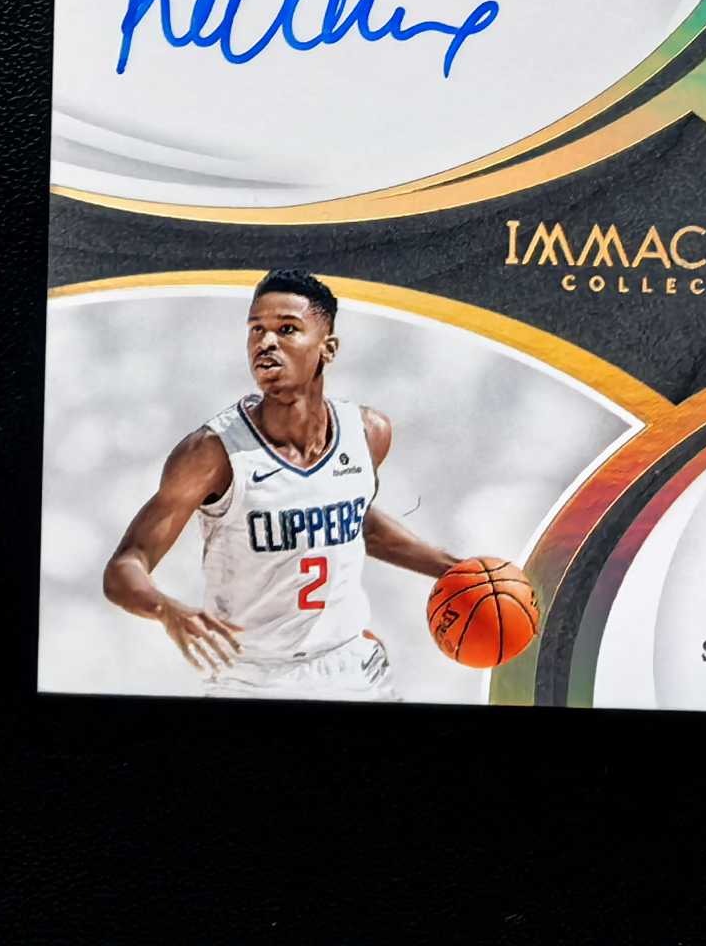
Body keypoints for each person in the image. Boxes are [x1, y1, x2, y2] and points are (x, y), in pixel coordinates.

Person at [101, 270, 460, 699]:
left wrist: (453, 569)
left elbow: (353, 522)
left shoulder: (367, 432)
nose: (266, 342)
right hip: (250, 676)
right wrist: (165, 609)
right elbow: (125, 564)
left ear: (328, 348)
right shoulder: (212, 453)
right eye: (257, 329)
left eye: (286, 329)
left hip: (350, 663)